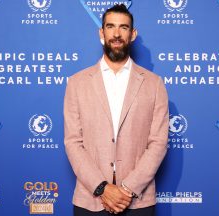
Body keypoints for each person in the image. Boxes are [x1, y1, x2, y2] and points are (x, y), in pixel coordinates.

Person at [64, 4, 168, 216]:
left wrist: (127, 189)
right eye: (111, 27)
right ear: (101, 32)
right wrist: (102, 188)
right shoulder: (77, 83)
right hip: (90, 200)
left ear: (133, 34)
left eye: (124, 27)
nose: (117, 34)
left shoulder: (154, 84)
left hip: (137, 201)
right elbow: (73, 142)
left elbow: (158, 143)